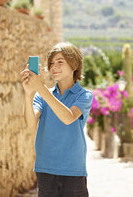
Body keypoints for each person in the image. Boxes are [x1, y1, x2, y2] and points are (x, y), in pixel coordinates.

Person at [20, 42, 93, 197]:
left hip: (73, 171)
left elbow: (68, 118)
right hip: (45, 169)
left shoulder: (84, 95)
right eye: (51, 63)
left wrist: (41, 88)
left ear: (74, 65)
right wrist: (28, 94)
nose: (54, 67)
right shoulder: (42, 95)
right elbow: (31, 124)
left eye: (60, 62)